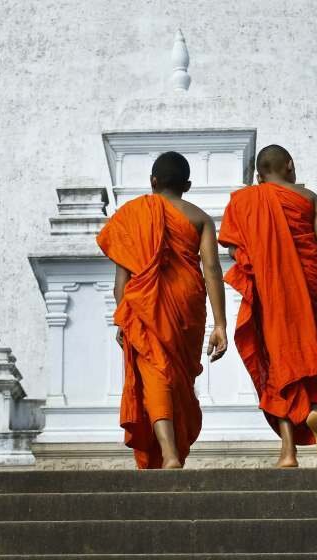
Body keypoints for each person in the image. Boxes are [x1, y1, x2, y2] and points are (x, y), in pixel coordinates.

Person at [219, 145, 317, 467]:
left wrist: (260, 260)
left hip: (269, 295)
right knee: (311, 358)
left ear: (258, 176)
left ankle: (288, 451)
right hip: (308, 291)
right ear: (290, 165)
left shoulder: (243, 202)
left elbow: (234, 253)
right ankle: (316, 410)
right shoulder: (308, 198)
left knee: (276, 363)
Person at [96, 151, 228, 469]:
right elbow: (212, 269)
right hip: (188, 305)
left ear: (152, 182)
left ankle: (169, 454)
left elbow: (122, 281)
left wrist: (126, 317)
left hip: (145, 307)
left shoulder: (132, 215)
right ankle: (172, 453)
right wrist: (220, 324)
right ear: (188, 185)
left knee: (157, 372)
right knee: (178, 379)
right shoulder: (200, 218)